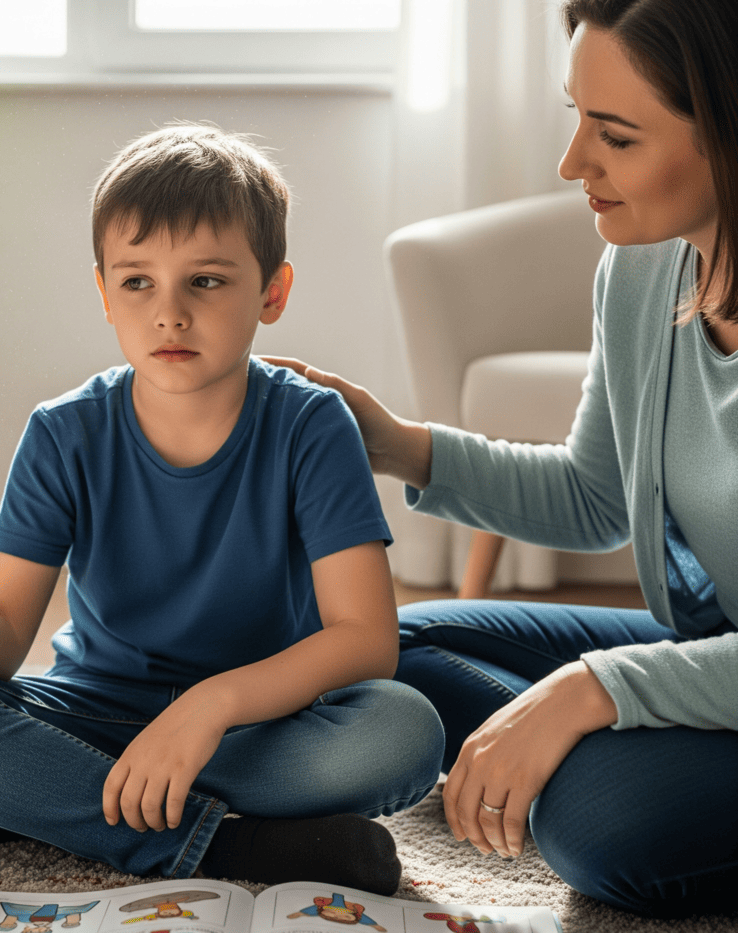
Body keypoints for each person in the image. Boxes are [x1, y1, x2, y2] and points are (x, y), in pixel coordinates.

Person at [0, 122, 443, 895]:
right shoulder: (63, 431)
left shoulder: (311, 423)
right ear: (103, 292)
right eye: (138, 282)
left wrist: (210, 703)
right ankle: (226, 846)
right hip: (90, 715)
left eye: (206, 281)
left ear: (273, 292)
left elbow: (366, 642)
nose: (169, 313)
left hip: (253, 727)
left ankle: (28, 802)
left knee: (401, 732)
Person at [265, 0, 738, 918]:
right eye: (576, 118)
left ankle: (575, 769)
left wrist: (591, 688)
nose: (574, 165)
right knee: (381, 647)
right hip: (703, 654)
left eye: (617, 136)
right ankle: (563, 756)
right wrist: (394, 442)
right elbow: (595, 494)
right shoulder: (644, 269)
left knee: (602, 829)